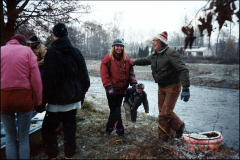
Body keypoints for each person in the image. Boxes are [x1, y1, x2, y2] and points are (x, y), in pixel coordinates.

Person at [41, 22, 90, 159]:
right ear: (66, 34)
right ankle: (69, 156)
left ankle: (53, 156)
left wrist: (44, 99)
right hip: (72, 100)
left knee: (48, 132)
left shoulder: (51, 52)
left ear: (54, 35)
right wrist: (81, 93)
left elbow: (47, 79)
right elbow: (85, 77)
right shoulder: (76, 51)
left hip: (55, 102)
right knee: (70, 131)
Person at [133, 31, 190, 141]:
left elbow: (183, 69)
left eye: (154, 40)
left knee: (166, 113)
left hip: (173, 86)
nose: (152, 42)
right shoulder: (154, 55)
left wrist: (186, 88)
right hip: (161, 87)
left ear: (161, 42)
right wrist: (132, 62)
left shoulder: (171, 53)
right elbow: (144, 60)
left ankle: (179, 126)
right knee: (162, 114)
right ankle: (164, 138)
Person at [1, 34, 42, 159]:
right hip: (24, 98)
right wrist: (38, 101)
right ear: (23, 43)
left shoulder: (1, 51)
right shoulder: (28, 52)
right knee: (24, 137)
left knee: (10, 138)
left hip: (4, 98)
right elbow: (36, 80)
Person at [100, 38, 137, 137]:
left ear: (123, 48)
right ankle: (118, 131)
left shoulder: (127, 60)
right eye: (117, 46)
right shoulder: (107, 58)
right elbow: (104, 74)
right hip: (111, 90)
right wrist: (108, 86)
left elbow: (131, 72)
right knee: (115, 111)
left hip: (121, 90)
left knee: (115, 111)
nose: (119, 48)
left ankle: (110, 130)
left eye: (121, 46)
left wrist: (133, 82)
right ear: (113, 47)